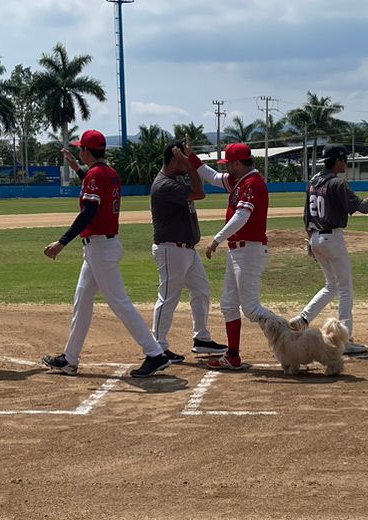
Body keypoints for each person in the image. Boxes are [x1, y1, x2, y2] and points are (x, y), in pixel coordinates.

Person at [40, 130, 171, 378]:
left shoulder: (96, 175)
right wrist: (77, 168)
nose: (80, 151)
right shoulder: (108, 173)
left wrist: (62, 242)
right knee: (82, 300)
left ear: (88, 151)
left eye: (82, 149)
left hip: (100, 248)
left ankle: (155, 353)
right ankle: (70, 358)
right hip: (100, 247)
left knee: (119, 302)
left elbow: (89, 211)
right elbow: (93, 185)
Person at [295, 145, 368, 354]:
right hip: (332, 237)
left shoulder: (313, 181)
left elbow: (306, 215)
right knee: (345, 290)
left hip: (315, 236)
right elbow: (364, 208)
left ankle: (303, 319)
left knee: (331, 285)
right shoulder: (338, 183)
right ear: (338, 160)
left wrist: (310, 240)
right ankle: (345, 340)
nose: (346, 163)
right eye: (345, 159)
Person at [195, 141, 276, 370]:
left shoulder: (252, 182)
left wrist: (216, 240)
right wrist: (190, 157)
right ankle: (232, 356)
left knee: (250, 308)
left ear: (238, 163)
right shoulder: (239, 180)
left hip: (249, 249)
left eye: (229, 164)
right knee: (229, 305)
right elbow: (211, 176)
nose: (227, 168)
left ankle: (291, 334)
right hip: (238, 250)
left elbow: (242, 216)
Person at [144, 140, 225, 362]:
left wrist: (187, 160)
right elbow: (200, 193)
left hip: (186, 250)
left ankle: (201, 338)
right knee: (168, 297)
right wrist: (189, 164)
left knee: (201, 290)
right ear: (173, 160)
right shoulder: (165, 185)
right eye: (180, 159)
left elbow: (197, 188)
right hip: (171, 249)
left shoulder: (176, 179)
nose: (185, 163)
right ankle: (158, 346)